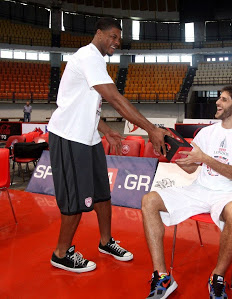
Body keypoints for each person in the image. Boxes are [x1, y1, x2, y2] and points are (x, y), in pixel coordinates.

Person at [47, 17, 169, 273]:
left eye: (119, 39)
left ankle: (105, 242)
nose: (116, 42)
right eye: (113, 36)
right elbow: (114, 98)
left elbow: (85, 103)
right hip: (69, 137)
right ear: (99, 33)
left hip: (88, 137)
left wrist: (105, 130)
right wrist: (151, 129)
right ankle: (61, 253)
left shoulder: (97, 61)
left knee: (102, 193)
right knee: (74, 201)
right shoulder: (88, 57)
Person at [142, 86, 232, 298]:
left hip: (229, 192)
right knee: (149, 200)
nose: (217, 102)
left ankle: (217, 277)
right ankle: (162, 276)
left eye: (223, 99)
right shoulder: (206, 132)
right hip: (199, 189)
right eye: (219, 98)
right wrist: (169, 153)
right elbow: (191, 166)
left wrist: (205, 158)